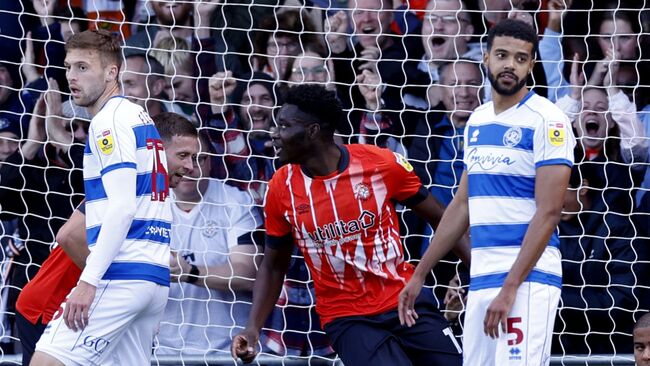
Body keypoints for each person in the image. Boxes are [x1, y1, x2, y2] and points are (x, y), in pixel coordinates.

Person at [231, 84, 466, 365]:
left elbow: (444, 219)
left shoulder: (381, 164)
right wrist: (253, 328)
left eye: (283, 125)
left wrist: (485, 278)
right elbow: (273, 265)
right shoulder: (281, 188)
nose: (275, 134)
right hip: (348, 317)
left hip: (405, 298)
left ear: (313, 131)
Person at [399, 19, 576, 365]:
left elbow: (550, 212)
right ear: (486, 58)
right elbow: (462, 204)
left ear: (532, 64)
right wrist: (419, 274)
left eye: (521, 58)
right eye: (502, 55)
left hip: (527, 280)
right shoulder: (477, 120)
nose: (510, 64)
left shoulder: (548, 120)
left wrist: (511, 288)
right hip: (481, 275)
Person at [30, 29, 172, 366]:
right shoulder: (139, 116)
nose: (72, 78)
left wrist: (88, 282)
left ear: (112, 73)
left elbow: (122, 208)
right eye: (68, 67)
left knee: (44, 362)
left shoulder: (107, 121)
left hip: (121, 274)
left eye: (83, 67)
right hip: (152, 275)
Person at [20, 112, 199, 365]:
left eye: (194, 157)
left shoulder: (157, 195)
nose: (191, 167)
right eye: (183, 156)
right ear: (156, 150)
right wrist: (115, 284)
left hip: (94, 303)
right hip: (51, 303)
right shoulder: (127, 182)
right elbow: (69, 236)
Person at [156, 131, 264, 356]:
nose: (189, 166)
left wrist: (190, 272)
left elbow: (248, 275)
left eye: (199, 158)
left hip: (228, 351)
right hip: (161, 352)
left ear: (210, 163)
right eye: (182, 156)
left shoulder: (236, 202)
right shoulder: (149, 202)